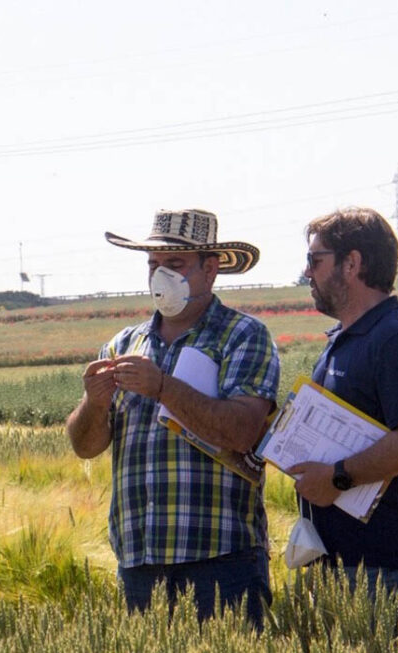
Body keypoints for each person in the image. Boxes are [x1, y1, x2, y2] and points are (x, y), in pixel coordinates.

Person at [65, 208, 280, 629]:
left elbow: (243, 431)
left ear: (210, 269)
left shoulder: (242, 335)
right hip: (141, 563)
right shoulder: (126, 342)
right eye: (153, 265)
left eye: (175, 265)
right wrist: (93, 403)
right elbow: (84, 446)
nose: (160, 275)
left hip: (222, 559)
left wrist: (162, 386)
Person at [289, 206, 398, 610]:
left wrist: (338, 478)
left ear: (352, 263)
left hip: (380, 565)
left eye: (315, 260)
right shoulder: (345, 339)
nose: (308, 273)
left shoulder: (396, 339)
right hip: (337, 562)